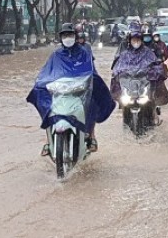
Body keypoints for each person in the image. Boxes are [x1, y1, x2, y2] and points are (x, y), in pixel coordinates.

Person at [27, 24, 114, 155]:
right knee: (47, 105)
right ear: (61, 38)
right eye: (65, 35)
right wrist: (41, 83)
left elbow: (90, 71)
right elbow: (46, 73)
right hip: (61, 91)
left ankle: (91, 135)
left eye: (70, 35)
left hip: (80, 90)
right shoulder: (56, 55)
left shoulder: (84, 52)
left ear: (75, 36)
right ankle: (48, 140)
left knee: (92, 102)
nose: (68, 38)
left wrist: (91, 81)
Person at [111, 30, 168, 106]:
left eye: (138, 40)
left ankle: (155, 105)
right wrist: (117, 72)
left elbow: (156, 63)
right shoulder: (124, 54)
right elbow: (118, 66)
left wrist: (156, 70)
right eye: (134, 40)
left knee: (153, 95)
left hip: (144, 82)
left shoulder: (148, 52)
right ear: (130, 41)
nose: (136, 42)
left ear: (141, 41)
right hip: (129, 82)